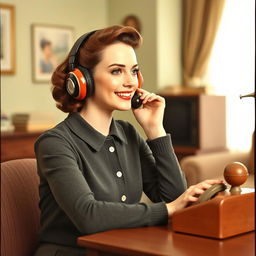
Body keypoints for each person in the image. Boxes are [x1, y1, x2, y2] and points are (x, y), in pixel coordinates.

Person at [34, 25, 222, 256]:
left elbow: (173, 198)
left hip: (120, 248)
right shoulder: (55, 143)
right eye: (116, 71)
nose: (131, 82)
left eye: (134, 71)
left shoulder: (128, 133)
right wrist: (170, 209)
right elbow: (88, 217)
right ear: (83, 80)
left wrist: (155, 129)